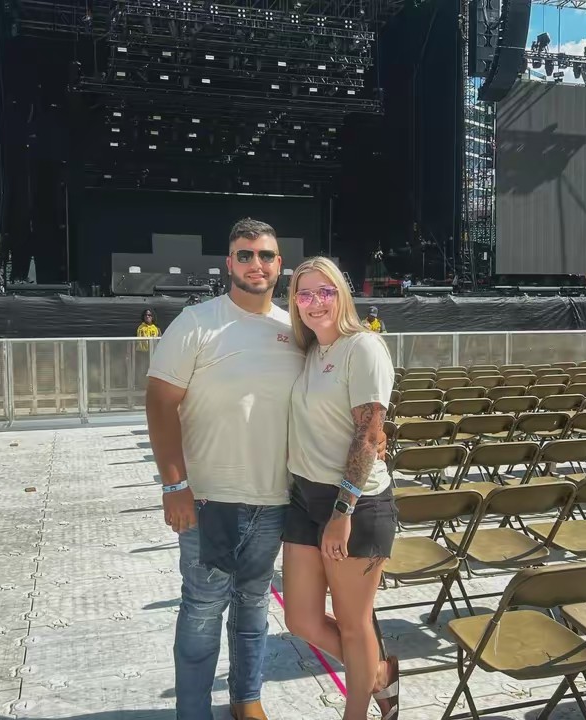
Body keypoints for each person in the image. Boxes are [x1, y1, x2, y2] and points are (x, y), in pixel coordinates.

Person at [145, 218, 306, 720]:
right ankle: (193, 711)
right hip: (207, 499)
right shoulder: (196, 322)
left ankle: (246, 699)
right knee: (201, 609)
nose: (256, 264)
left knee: (254, 606)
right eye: (245, 254)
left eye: (266, 255)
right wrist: (174, 484)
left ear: (280, 264)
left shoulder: (294, 330)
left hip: (273, 500)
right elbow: (159, 402)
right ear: (228, 262)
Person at [283, 256, 399, 720]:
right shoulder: (310, 350)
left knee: (354, 625)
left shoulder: (363, 347)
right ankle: (377, 674)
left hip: (356, 504)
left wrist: (342, 510)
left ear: (342, 295)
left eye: (325, 291)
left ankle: (358, 711)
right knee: (301, 620)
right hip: (304, 498)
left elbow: (369, 435)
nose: (315, 302)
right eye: (304, 294)